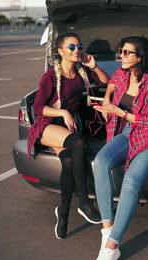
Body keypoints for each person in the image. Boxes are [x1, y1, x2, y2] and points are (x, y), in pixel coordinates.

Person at [92, 36, 148, 260]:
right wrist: (107, 101)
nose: (121, 56)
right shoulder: (123, 72)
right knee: (101, 161)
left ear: (140, 57)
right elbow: (112, 83)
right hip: (127, 132)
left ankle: (112, 246)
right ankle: (108, 228)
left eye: (127, 53)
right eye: (121, 51)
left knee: (131, 181)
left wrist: (119, 112)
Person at [27, 32, 109, 239]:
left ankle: (62, 213)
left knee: (70, 163)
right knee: (79, 143)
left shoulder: (81, 73)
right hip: (47, 125)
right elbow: (38, 108)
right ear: (60, 51)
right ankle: (84, 202)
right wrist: (63, 112)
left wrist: (93, 66)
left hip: (67, 127)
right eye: (71, 47)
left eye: (79, 46)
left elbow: (105, 81)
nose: (77, 50)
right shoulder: (51, 76)